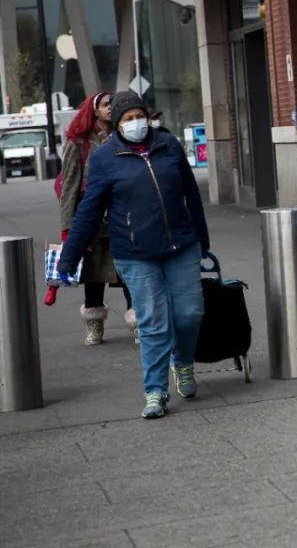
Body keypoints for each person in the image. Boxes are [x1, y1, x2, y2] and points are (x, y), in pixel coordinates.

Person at [57, 91, 210, 419]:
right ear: (117, 124)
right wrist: (69, 257)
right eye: (128, 119)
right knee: (152, 321)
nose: (136, 122)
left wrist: (203, 239)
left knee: (190, 314)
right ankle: (155, 391)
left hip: (181, 245)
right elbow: (89, 210)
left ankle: (183, 362)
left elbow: (191, 194)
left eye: (140, 116)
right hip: (135, 252)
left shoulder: (168, 145)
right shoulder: (104, 158)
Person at [57, 91, 137, 346]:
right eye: (104, 104)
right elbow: (69, 187)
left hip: (122, 215)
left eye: (112, 104)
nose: (110, 108)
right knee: (93, 275)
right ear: (94, 110)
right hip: (92, 218)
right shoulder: (80, 143)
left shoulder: (125, 136)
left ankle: (138, 324)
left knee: (130, 272)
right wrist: (68, 227)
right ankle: (94, 325)